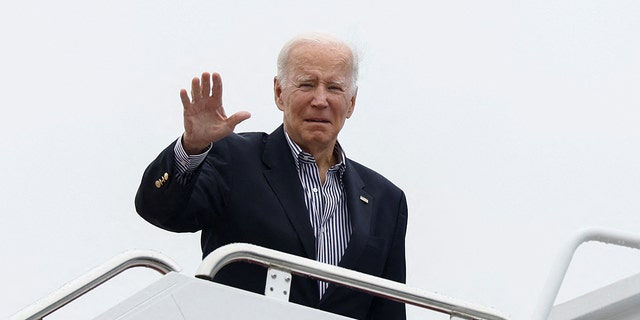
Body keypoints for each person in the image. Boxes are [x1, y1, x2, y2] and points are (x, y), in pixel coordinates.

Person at [135, 32, 408, 320]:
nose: (320, 100)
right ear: (279, 92)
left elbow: (388, 310)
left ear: (351, 102)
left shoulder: (386, 200)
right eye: (306, 84)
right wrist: (192, 148)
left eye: (334, 88)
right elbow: (160, 210)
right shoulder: (233, 159)